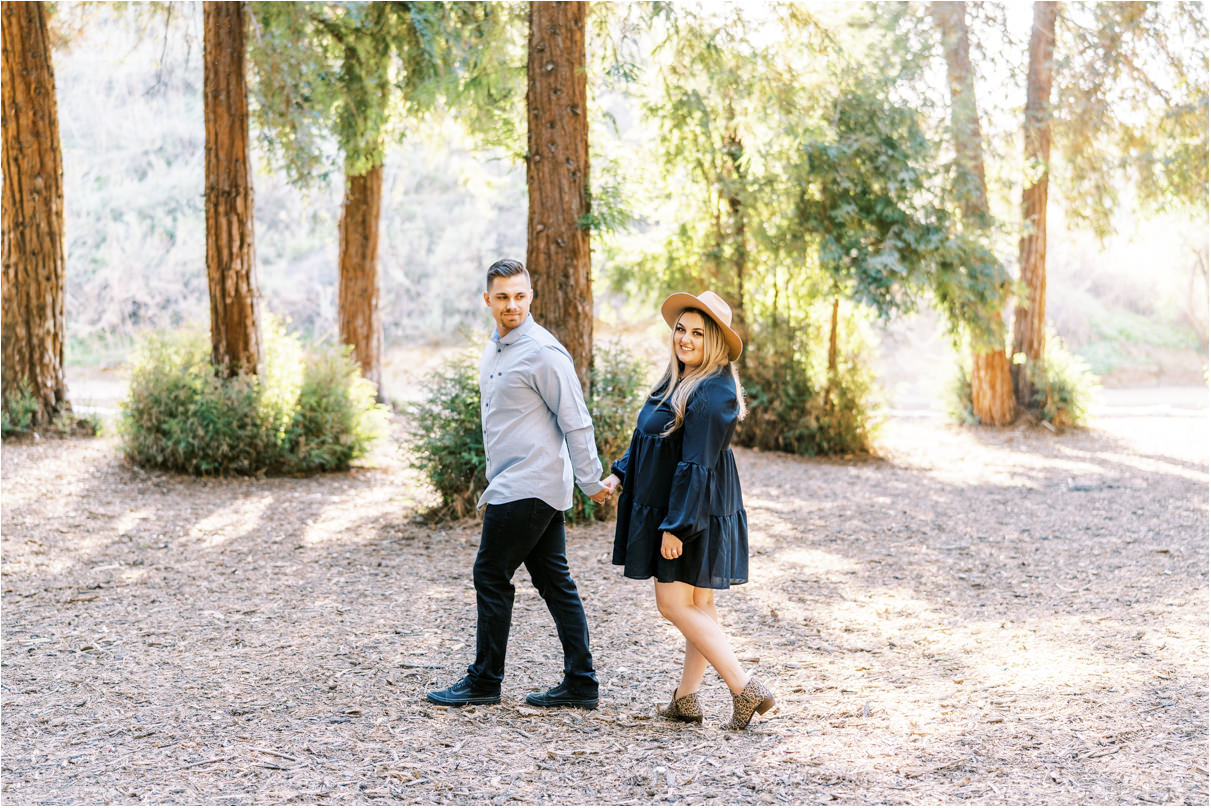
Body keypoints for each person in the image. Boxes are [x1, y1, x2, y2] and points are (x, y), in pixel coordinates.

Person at [426, 259, 610, 710]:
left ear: (531, 297)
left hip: (530, 482)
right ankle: (581, 683)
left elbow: (577, 422)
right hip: (516, 480)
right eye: (503, 296)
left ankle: (485, 680)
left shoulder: (544, 352)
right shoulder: (496, 349)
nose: (513, 304)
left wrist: (590, 481)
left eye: (520, 295)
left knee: (490, 573)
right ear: (487, 299)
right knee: (554, 581)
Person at [599, 290, 775, 730]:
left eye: (698, 332)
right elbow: (649, 438)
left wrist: (676, 527)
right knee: (699, 603)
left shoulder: (714, 392)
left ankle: (744, 687)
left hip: (696, 510)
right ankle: (686, 698)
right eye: (681, 328)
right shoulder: (677, 379)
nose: (686, 338)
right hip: (685, 505)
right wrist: (619, 474)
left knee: (672, 603)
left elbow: (695, 466)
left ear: (714, 340)